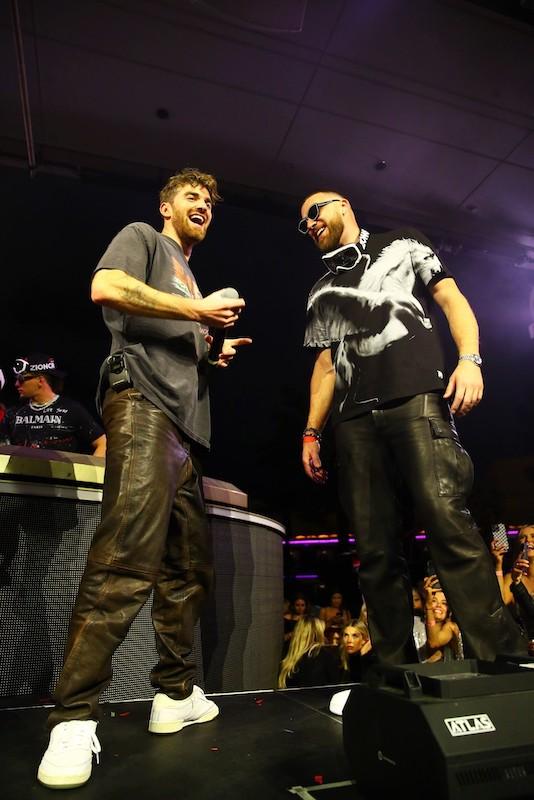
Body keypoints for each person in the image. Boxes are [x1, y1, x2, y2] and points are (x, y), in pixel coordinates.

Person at [37, 167, 252, 790]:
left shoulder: (190, 275)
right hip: (142, 405)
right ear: (166, 205)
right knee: (126, 553)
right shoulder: (144, 239)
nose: (204, 205)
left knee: (188, 570)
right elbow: (104, 286)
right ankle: (73, 717)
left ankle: (175, 694)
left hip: (186, 428)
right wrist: (198, 310)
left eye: (210, 199)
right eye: (193, 196)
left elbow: (182, 339)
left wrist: (214, 349)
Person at [298, 189, 525, 666]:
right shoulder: (321, 290)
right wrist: (311, 432)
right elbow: (325, 365)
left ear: (342, 205)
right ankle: (395, 671)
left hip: (416, 398)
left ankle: (502, 661)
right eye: (303, 223)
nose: (310, 224)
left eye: (314, 213)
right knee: (375, 548)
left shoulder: (402, 242)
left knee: (447, 523)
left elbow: (451, 298)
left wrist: (470, 359)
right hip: (354, 421)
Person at [0, 354, 106, 456]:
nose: (16, 384)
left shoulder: (71, 410)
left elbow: (102, 443)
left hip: (61, 474)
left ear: (40, 381)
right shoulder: (13, 413)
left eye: (22, 379)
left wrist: (88, 473)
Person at [492, 524, 534, 653]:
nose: (528, 541)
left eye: (533, 536)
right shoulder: (513, 577)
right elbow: (499, 604)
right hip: (523, 648)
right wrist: (498, 563)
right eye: (523, 537)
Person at [278, 616, 340, 688]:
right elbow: (335, 686)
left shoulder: (288, 659)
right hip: (319, 698)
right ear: (318, 633)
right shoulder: (326, 656)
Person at [422, 577, 463, 662]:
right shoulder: (419, 626)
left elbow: (433, 643)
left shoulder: (451, 627)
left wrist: (429, 607)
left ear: (449, 610)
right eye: (434, 601)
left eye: (444, 603)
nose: (438, 605)